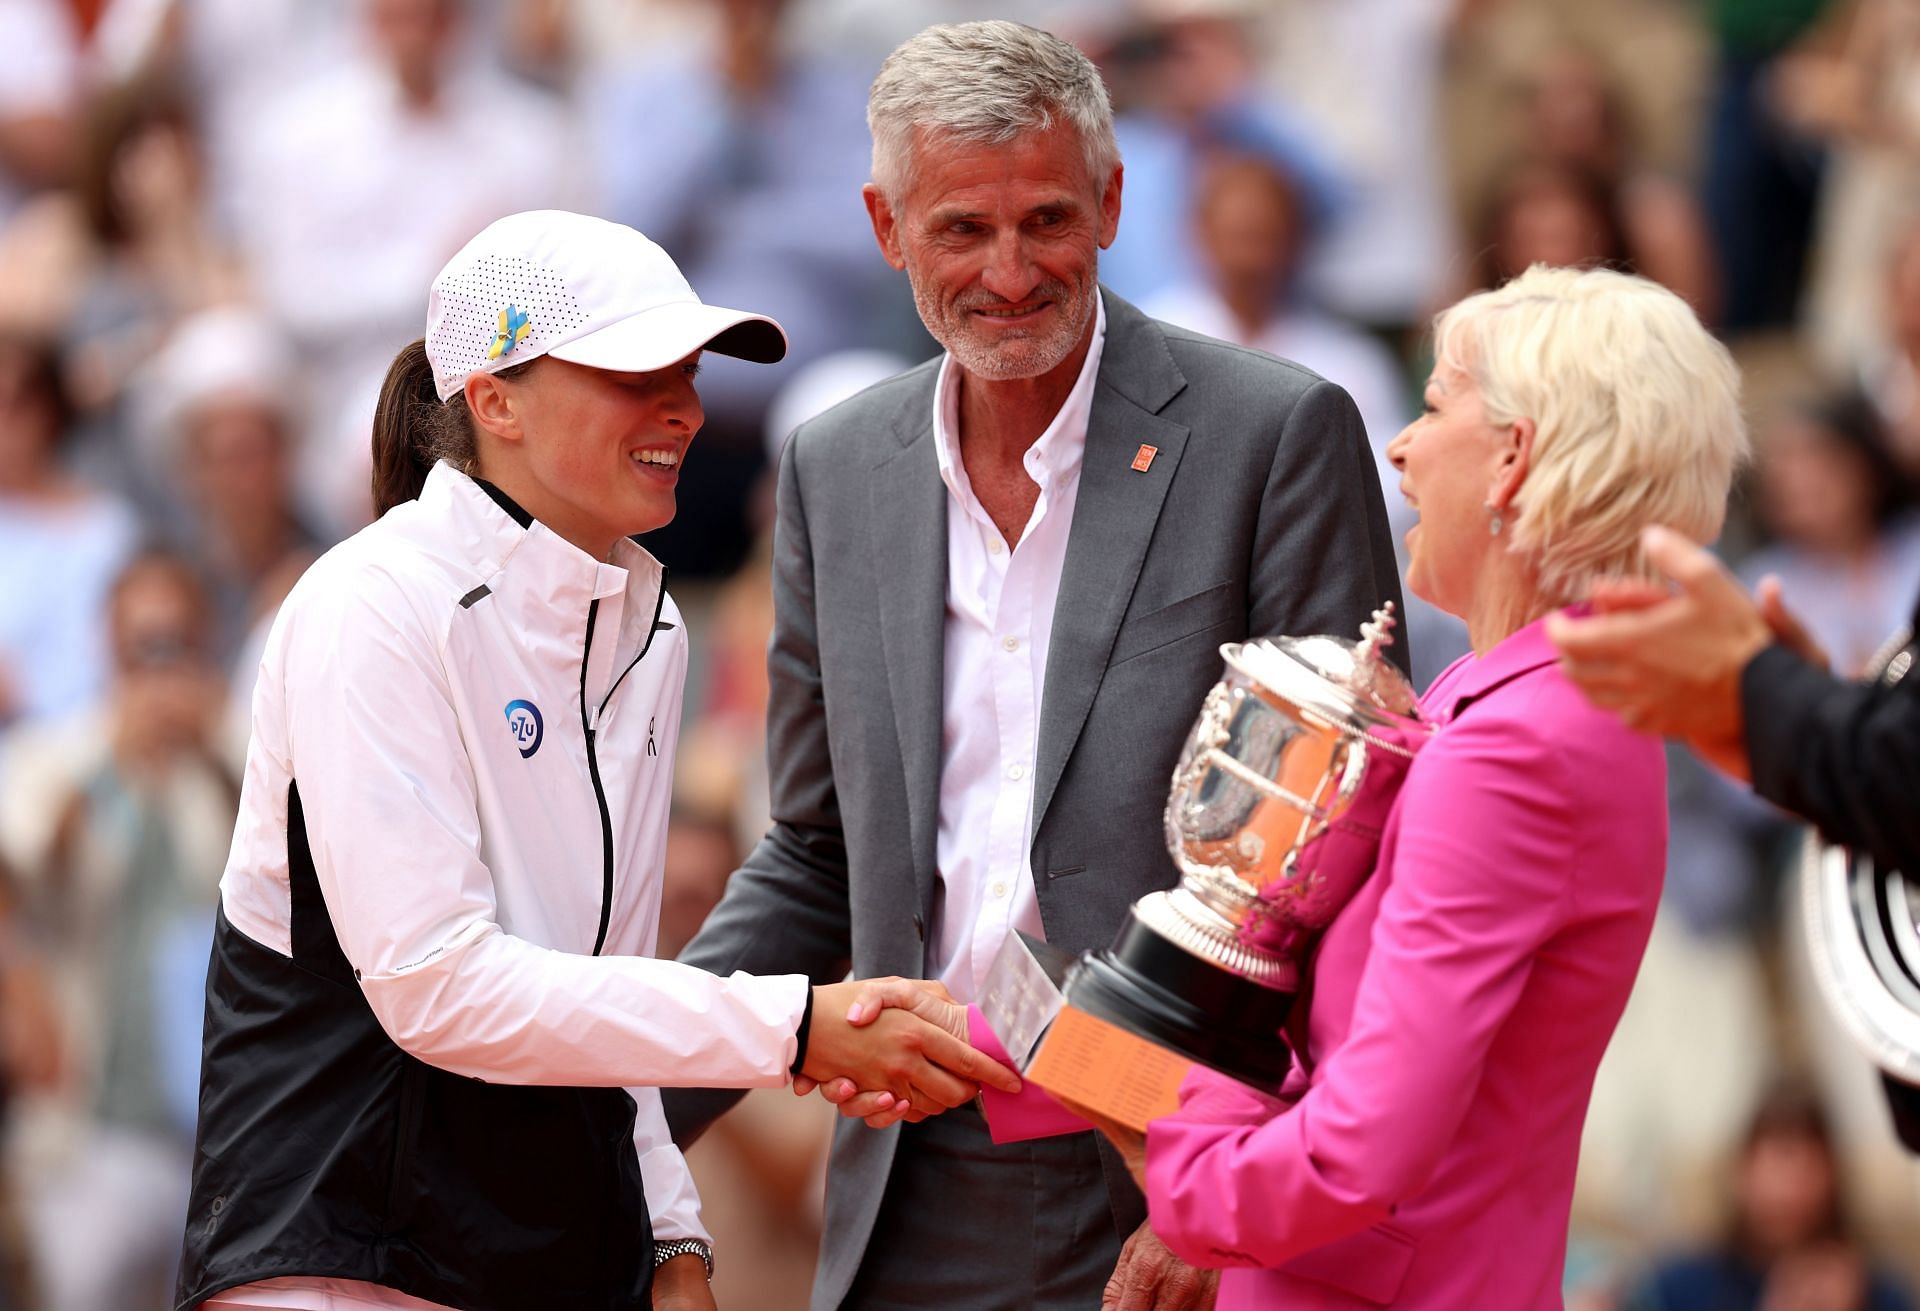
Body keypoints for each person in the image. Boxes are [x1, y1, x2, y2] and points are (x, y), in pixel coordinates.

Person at [662, 20, 1406, 1311]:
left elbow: (1342, 856)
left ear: (1115, 203)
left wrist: (1223, 1185)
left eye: (1047, 219)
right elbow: (816, 850)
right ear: (885, 227)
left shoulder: (1276, 433)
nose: (1009, 273)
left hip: (1176, 1168)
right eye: (960, 230)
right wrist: (636, 1110)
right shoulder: (838, 469)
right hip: (913, 1170)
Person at [171, 209, 1018, 1311]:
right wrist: (795, 1028)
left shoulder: (648, 626)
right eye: (634, 374)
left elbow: (605, 970)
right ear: (496, 400)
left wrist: (672, 1241)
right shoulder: (369, 603)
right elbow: (437, 986)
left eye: (688, 372)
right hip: (339, 1258)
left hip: (538, 1255)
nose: (685, 408)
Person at [853, 265, 1743, 1306]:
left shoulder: (1522, 747)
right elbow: (1292, 994)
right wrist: (985, 1041)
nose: (1401, 448)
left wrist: (1187, 1186)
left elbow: (1358, 1142)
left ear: (1516, 459)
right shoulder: (1517, 702)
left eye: (1434, 406)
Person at [1628, 1081, 1916, 1311]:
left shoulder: (1874, 1290)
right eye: (1778, 1161)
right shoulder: (1682, 1286)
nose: (1789, 1188)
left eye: (1806, 1168)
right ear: (1742, 1171)